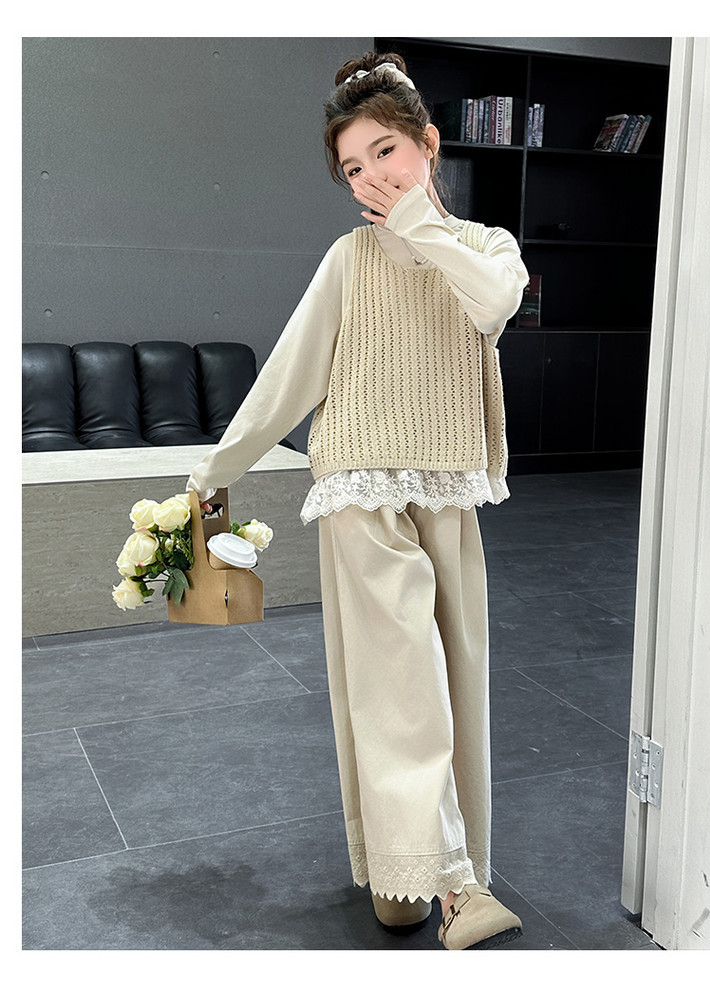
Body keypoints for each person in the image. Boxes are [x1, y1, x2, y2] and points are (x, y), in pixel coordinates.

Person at [186, 50, 529, 951]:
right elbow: (288, 377)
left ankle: (409, 870)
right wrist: (216, 468)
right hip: (362, 493)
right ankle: (455, 887)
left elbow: (494, 304)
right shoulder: (348, 260)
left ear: (429, 144)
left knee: (452, 681)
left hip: (447, 490)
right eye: (352, 167)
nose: (371, 177)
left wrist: (419, 222)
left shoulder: (487, 248)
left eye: (386, 151)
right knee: (400, 685)